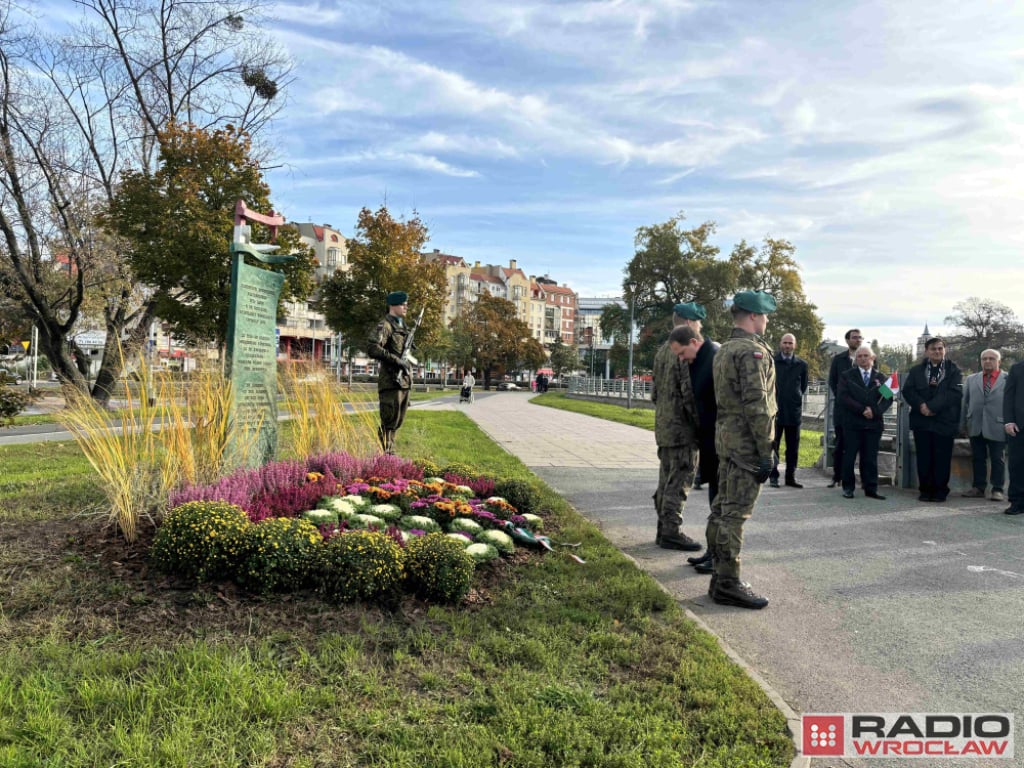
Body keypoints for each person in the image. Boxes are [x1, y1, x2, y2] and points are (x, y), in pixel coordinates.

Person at [707, 290, 777, 609]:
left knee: (722, 509)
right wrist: (766, 451)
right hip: (746, 444)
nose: (766, 320)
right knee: (735, 514)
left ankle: (719, 576)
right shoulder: (750, 352)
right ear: (752, 316)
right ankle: (728, 583)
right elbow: (757, 404)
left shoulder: (724, 349)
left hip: (727, 440)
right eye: (763, 315)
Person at [668, 302, 721, 574]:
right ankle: (712, 551)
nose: (680, 359)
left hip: (721, 443)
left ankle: (718, 557)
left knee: (722, 505)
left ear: (693, 341)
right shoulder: (698, 360)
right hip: (709, 443)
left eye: (681, 353)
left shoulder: (714, 356)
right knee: (714, 501)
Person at [650, 307, 702, 551]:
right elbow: (688, 392)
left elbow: (654, 393)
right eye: (699, 323)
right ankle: (671, 531)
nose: (700, 328)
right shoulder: (683, 352)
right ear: (690, 322)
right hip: (683, 429)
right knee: (679, 481)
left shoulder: (662, 351)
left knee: (665, 480)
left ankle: (662, 529)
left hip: (664, 426)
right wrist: (700, 425)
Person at [901, 337, 963, 502]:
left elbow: (954, 393)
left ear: (945, 350)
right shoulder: (916, 371)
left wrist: (933, 407)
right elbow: (908, 391)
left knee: (942, 458)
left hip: (944, 421)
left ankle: (940, 491)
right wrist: (921, 405)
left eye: (940, 348)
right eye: (934, 349)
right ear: (927, 351)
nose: (937, 351)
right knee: (924, 457)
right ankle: (925, 490)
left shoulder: (954, 370)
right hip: (922, 422)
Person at [836, 345, 892, 499]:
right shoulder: (847, 376)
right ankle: (848, 487)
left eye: (866, 356)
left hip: (873, 424)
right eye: (859, 356)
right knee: (850, 456)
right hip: (852, 423)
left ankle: (871, 488)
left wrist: (874, 411)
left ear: (872, 358)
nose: (862, 359)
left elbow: (887, 399)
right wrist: (862, 409)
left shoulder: (881, 378)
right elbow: (843, 397)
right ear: (856, 359)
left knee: (870, 457)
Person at [367, 291, 414, 454]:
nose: (406, 306)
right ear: (393, 305)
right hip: (391, 382)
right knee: (389, 422)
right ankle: (385, 455)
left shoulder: (402, 327)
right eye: (403, 304)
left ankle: (389, 455)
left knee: (397, 422)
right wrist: (396, 360)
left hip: (403, 383)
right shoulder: (385, 326)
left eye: (406, 303)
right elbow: (373, 348)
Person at [960, 349, 1006, 501]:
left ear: (999, 361)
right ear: (980, 361)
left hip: (998, 425)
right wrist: (962, 425)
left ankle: (997, 489)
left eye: (991, 358)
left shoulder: (1008, 379)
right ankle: (978, 487)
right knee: (978, 458)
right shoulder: (971, 379)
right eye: (984, 358)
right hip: (976, 424)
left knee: (997, 459)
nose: (987, 361)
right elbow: (964, 403)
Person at [770, 333, 808, 489]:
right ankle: (773, 476)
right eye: (785, 343)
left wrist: (795, 398)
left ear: (795, 345)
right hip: (775, 411)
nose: (787, 346)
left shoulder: (801, 365)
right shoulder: (772, 361)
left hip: (793, 411)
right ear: (780, 344)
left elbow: (803, 386)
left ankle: (790, 477)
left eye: (790, 343)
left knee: (793, 447)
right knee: (773, 446)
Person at [828, 329, 863, 487]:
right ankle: (837, 477)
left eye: (860, 337)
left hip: (861, 410)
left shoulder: (868, 358)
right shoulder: (839, 360)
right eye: (854, 338)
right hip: (843, 410)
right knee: (840, 444)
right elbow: (832, 381)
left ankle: (863, 479)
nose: (858, 340)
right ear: (847, 340)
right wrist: (844, 398)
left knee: (862, 447)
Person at [1003, 360, 1024, 515]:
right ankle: (1017, 502)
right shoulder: (1016, 369)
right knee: (1016, 466)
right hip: (1018, 426)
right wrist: (1009, 421)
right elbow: (1008, 396)